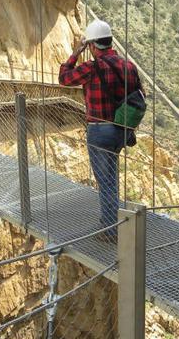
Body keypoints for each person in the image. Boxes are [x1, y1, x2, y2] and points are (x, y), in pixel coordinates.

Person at [59, 19, 142, 243]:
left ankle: (111, 230)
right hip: (122, 130)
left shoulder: (91, 67)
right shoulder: (129, 66)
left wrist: (76, 53)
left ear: (93, 46)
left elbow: (64, 78)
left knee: (105, 181)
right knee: (112, 178)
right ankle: (112, 222)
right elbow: (138, 95)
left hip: (99, 131)